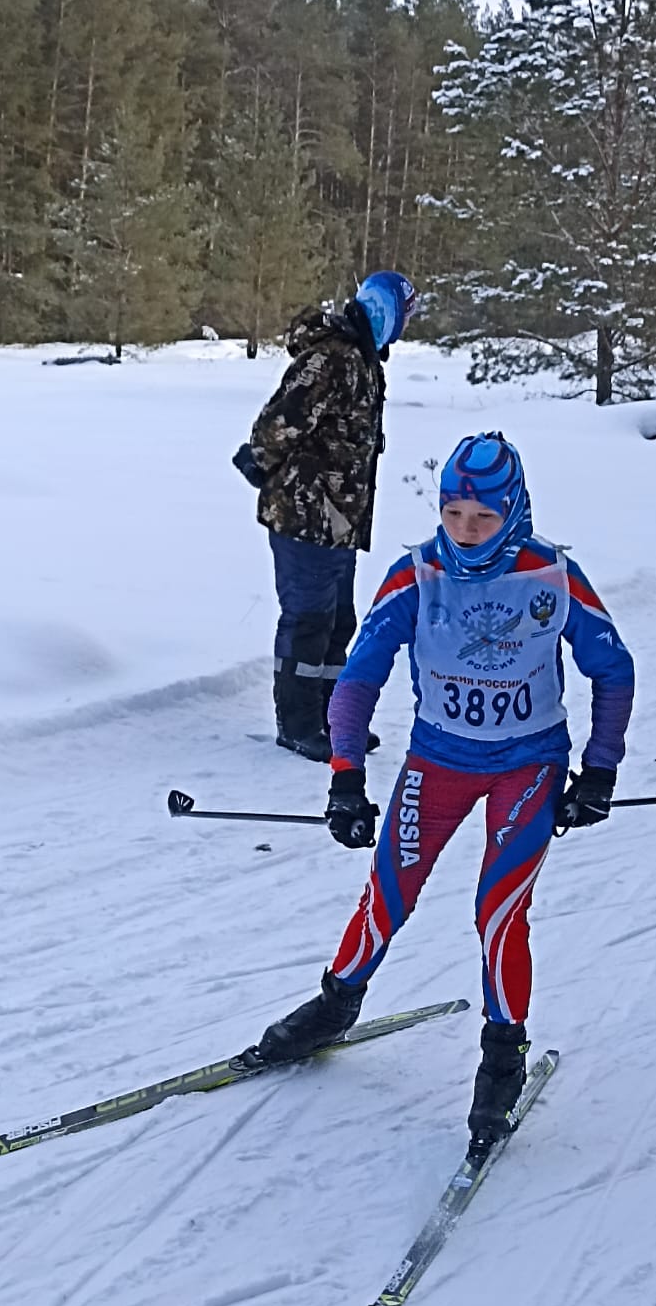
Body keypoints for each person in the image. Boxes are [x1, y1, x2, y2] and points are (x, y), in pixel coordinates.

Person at [241, 432, 635, 1162]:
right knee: (388, 889)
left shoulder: (549, 573)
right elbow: (358, 678)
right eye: (452, 513)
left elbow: (611, 667)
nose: (464, 532)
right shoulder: (415, 573)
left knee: (498, 910)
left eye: (481, 518)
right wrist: (345, 777)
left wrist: (599, 771)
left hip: (528, 765)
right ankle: (335, 1004)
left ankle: (501, 1053)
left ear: (511, 511)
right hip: (438, 760)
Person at [233, 271, 418, 762]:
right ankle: (297, 725)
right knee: (309, 619)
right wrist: (262, 463)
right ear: (385, 311)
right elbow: (279, 423)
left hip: (341, 521)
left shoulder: (363, 359)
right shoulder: (332, 357)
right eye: (403, 315)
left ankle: (332, 719)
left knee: (339, 621)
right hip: (304, 516)